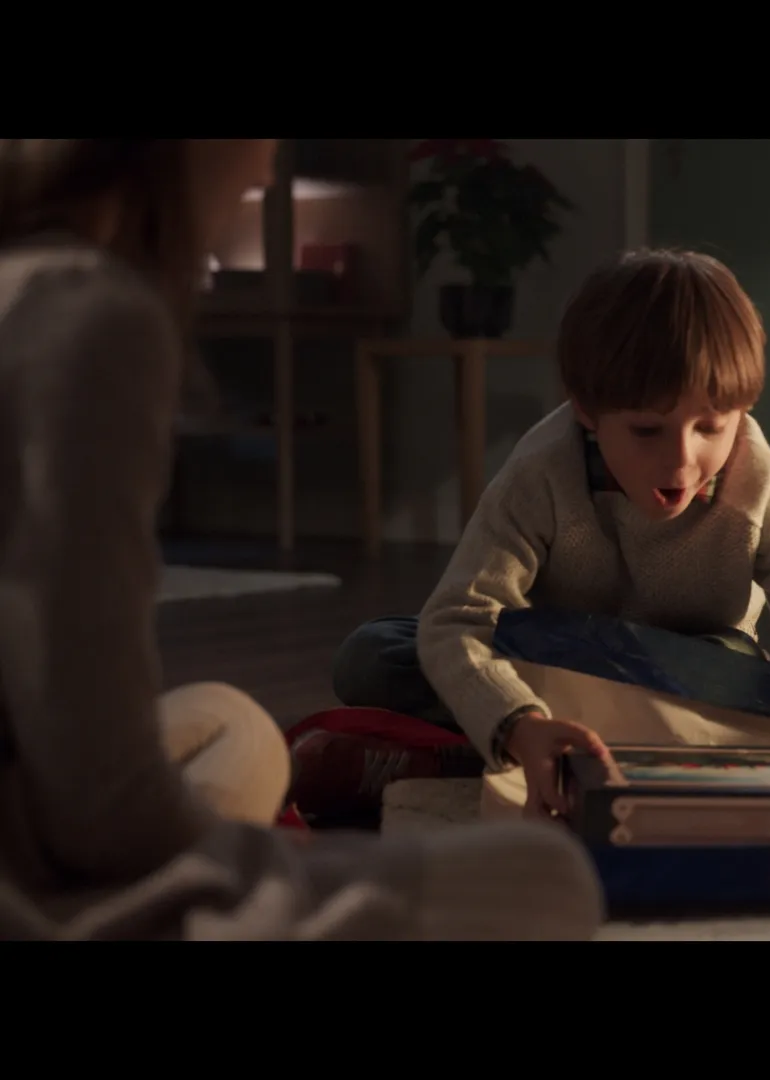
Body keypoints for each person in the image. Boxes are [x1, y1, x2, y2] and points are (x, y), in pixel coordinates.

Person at [0, 139, 604, 940]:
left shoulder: (22, 276)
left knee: (236, 726)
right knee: (549, 879)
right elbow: (104, 812)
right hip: (34, 870)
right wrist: (271, 863)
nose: (261, 170)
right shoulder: (95, 316)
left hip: (39, 787)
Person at [330, 249, 770, 820]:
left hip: (692, 672)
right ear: (587, 413)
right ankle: (544, 744)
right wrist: (516, 720)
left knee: (753, 677)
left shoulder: (762, 481)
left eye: (710, 426)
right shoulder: (540, 473)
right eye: (647, 432)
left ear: (743, 410)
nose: (681, 460)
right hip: (553, 664)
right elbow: (458, 620)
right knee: (373, 652)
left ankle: (497, 752)